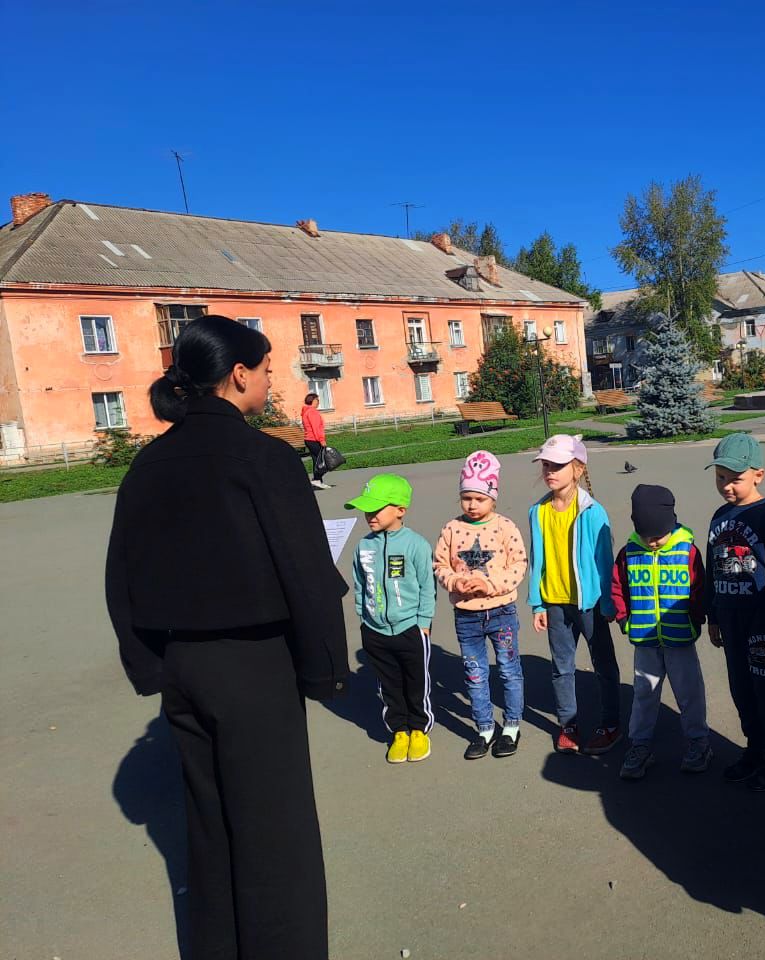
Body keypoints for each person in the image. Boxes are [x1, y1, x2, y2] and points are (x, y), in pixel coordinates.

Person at [105, 315, 348, 960]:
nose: (270, 380)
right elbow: (305, 573)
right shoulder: (264, 458)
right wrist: (325, 671)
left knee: (208, 827)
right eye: (266, 369)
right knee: (277, 837)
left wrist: (150, 665)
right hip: (255, 666)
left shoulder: (148, 464)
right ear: (238, 375)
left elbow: (120, 574)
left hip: (182, 667)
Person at [705, 433, 765, 792]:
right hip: (730, 618)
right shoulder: (719, 516)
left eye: (735, 479)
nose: (726, 486)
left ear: (759, 475)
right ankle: (755, 749)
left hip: (763, 623)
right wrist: (714, 616)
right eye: (720, 478)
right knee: (742, 688)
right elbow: (714, 569)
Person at [527, 434, 622, 755]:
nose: (550, 471)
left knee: (603, 665)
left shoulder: (593, 512)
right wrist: (537, 603)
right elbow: (536, 560)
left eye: (558, 465)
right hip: (555, 602)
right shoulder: (538, 511)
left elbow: (605, 561)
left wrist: (608, 602)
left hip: (590, 604)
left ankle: (611, 723)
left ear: (578, 469)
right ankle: (569, 724)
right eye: (546, 465)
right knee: (561, 667)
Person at [609, 484, 711, 779]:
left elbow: (699, 588)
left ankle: (698, 742)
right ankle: (640, 745)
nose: (652, 542)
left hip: (680, 639)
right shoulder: (628, 553)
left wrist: (697, 618)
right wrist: (623, 619)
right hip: (645, 641)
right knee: (644, 693)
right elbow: (618, 587)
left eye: (658, 536)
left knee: (689, 692)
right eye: (646, 536)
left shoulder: (687, 550)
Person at [434, 450, 528, 759]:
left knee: (509, 670)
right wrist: (454, 582)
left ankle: (511, 726)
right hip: (467, 616)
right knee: (475, 674)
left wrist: (489, 584)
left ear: (493, 499)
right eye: (466, 498)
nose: (472, 505)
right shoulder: (451, 529)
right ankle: (484, 728)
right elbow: (440, 565)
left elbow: (518, 565)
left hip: (501, 612)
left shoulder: (505, 527)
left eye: (480, 498)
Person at [346, 473, 437, 764]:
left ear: (400, 510)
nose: (369, 515)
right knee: (388, 685)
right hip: (375, 630)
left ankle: (419, 730)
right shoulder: (363, 547)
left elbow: (427, 586)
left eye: (376, 509)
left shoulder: (416, 544)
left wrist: (423, 622)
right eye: (366, 509)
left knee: (416, 682)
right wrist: (363, 616)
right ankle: (399, 731)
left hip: (410, 627)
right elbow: (360, 584)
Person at [301, 391, 331, 490]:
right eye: (317, 400)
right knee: (322, 460)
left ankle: (318, 481)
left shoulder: (306, 411)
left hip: (309, 439)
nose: (318, 402)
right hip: (314, 439)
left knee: (316, 460)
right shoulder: (312, 412)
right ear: (313, 400)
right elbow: (316, 428)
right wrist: (321, 440)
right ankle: (316, 479)